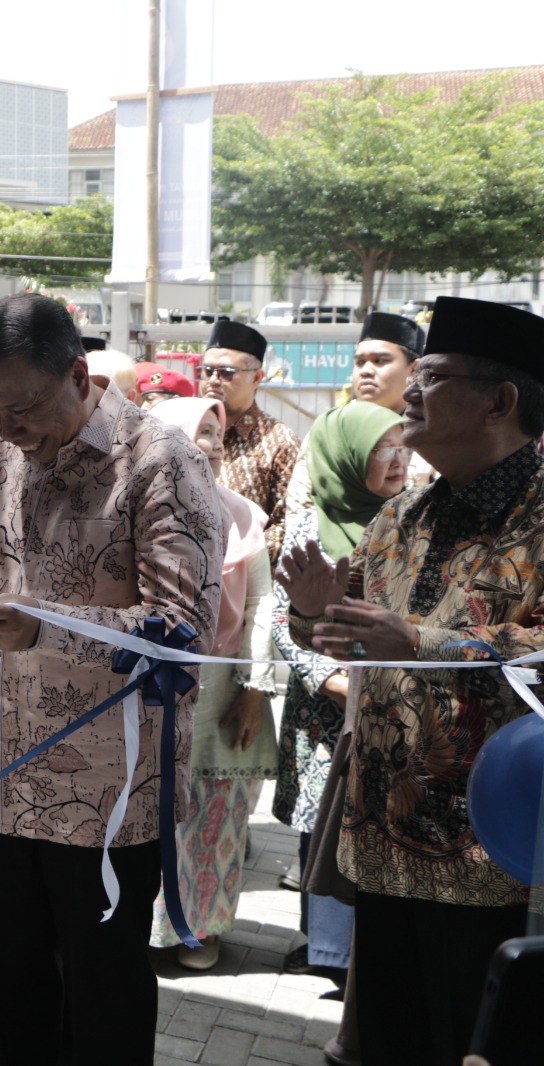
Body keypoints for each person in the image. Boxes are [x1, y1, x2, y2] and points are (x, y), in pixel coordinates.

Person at [0, 294, 223, 1066]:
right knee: (8, 985)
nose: (5, 428)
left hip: (106, 795)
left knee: (103, 996)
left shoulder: (160, 463)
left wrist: (46, 625)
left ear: (78, 373)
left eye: (23, 408)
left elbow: (182, 633)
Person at [278, 296, 544, 1066]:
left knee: (476, 1038)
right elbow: (351, 632)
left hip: (495, 855)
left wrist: (421, 640)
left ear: (501, 400)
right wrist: (315, 617)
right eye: (415, 374)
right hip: (385, 836)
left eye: (434, 376)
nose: (412, 392)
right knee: (389, 1039)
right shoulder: (403, 514)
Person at [271, 400, 409, 1066]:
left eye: (402, 446)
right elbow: (283, 621)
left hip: (387, 716)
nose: (399, 458)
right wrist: (338, 678)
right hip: (326, 715)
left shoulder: (405, 521)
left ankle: (351, 956)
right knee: (321, 826)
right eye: (384, 447)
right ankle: (327, 951)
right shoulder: (309, 524)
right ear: (349, 454)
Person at [146, 396, 280, 970]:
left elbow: (262, 605)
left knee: (216, 815)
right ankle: (145, 927)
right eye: (202, 431)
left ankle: (201, 929)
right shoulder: (140, 510)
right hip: (152, 688)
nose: (216, 441)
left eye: (218, 432)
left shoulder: (244, 515)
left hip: (224, 688)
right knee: (149, 814)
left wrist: (255, 690)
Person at [284, 312, 428, 519]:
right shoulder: (330, 429)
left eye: (380, 361)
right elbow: (299, 506)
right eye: (360, 362)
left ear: (414, 371)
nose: (366, 371)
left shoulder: (429, 435)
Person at [197, 319, 300, 564]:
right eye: (207, 371)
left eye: (226, 373)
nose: (213, 380)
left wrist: (236, 561)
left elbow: (287, 523)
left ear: (256, 378)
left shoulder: (278, 441)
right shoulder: (182, 429)